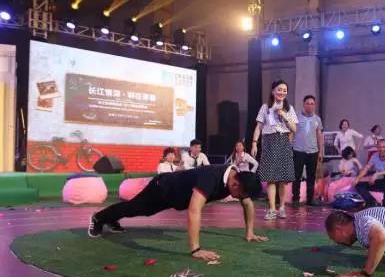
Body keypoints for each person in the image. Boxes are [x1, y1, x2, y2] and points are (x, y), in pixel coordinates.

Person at [88, 165, 268, 261]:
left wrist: (249, 232)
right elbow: (194, 211)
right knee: (135, 208)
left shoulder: (237, 180)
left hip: (176, 196)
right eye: (241, 194)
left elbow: (248, 204)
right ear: (236, 184)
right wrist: (196, 249)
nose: (241, 198)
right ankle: (99, 218)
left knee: (139, 211)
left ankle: (111, 219)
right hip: (163, 189)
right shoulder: (211, 178)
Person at [251, 80, 298, 220]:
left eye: (284, 90)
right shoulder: (265, 107)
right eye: (279, 89)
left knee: (282, 179)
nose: (282, 92)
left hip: (283, 141)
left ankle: (282, 208)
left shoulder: (289, 108)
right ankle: (272, 209)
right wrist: (254, 143)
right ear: (273, 91)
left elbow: (294, 129)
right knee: (270, 178)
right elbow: (258, 127)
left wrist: (283, 114)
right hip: (269, 142)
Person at [292, 95, 324, 206]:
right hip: (298, 150)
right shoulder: (296, 117)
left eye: (312, 104)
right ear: (304, 104)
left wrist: (320, 151)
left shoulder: (317, 119)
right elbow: (291, 133)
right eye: (308, 103)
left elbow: (319, 136)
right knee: (297, 176)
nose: (310, 106)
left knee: (311, 176)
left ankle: (310, 199)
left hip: (313, 151)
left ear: (314, 105)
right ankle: (295, 199)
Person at [355, 139, 385, 207]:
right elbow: (366, 168)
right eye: (379, 147)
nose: (381, 149)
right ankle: (373, 202)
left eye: (384, 147)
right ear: (377, 148)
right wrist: (358, 178)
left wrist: (376, 174)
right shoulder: (374, 156)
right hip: (380, 182)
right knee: (359, 185)